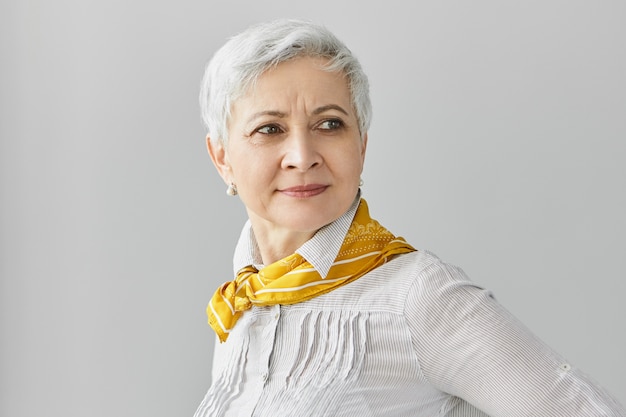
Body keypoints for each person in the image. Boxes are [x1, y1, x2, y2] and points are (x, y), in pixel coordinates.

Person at [193, 18, 624, 417]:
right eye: (270, 129)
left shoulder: (417, 298)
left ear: (361, 146)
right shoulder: (239, 307)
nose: (303, 157)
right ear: (222, 159)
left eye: (329, 124)